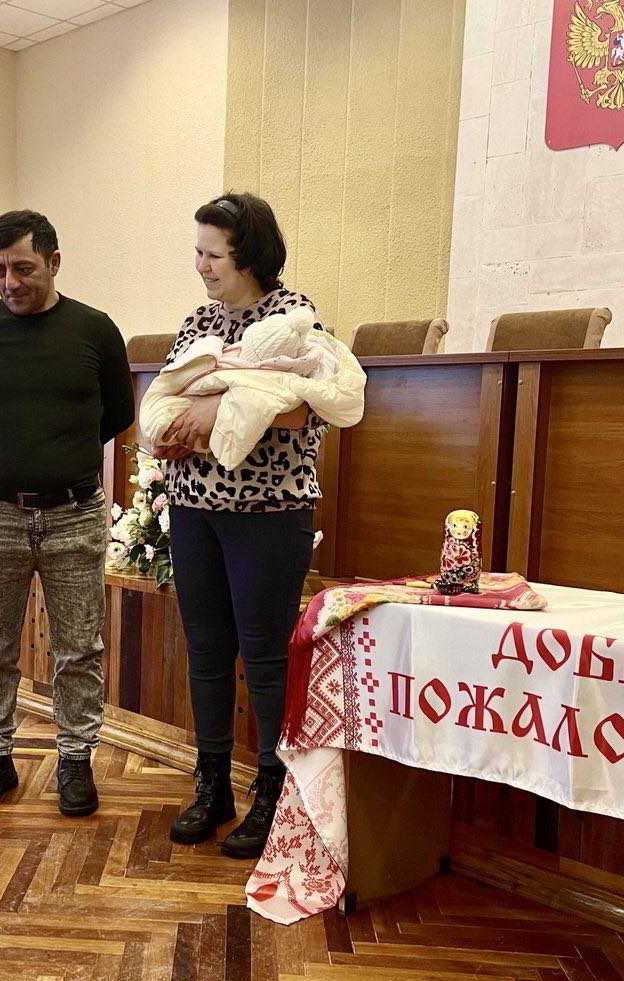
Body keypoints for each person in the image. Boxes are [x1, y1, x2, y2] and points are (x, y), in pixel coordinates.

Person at [153, 192, 351, 860]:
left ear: (250, 255)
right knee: (205, 649)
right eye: (199, 251)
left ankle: (273, 789)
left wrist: (210, 414)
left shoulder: (295, 318)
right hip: (193, 506)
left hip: (269, 512)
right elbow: (166, 404)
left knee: (264, 656)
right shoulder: (198, 322)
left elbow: (300, 412)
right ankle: (212, 785)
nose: (202, 264)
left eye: (214, 253)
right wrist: (206, 416)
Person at [0, 210, 134, 818]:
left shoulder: (95, 330)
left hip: (74, 515)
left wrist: (56, 458)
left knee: (79, 647)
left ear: (54, 261)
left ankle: (76, 760)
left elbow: (116, 415)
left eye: (22, 268)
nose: (10, 283)